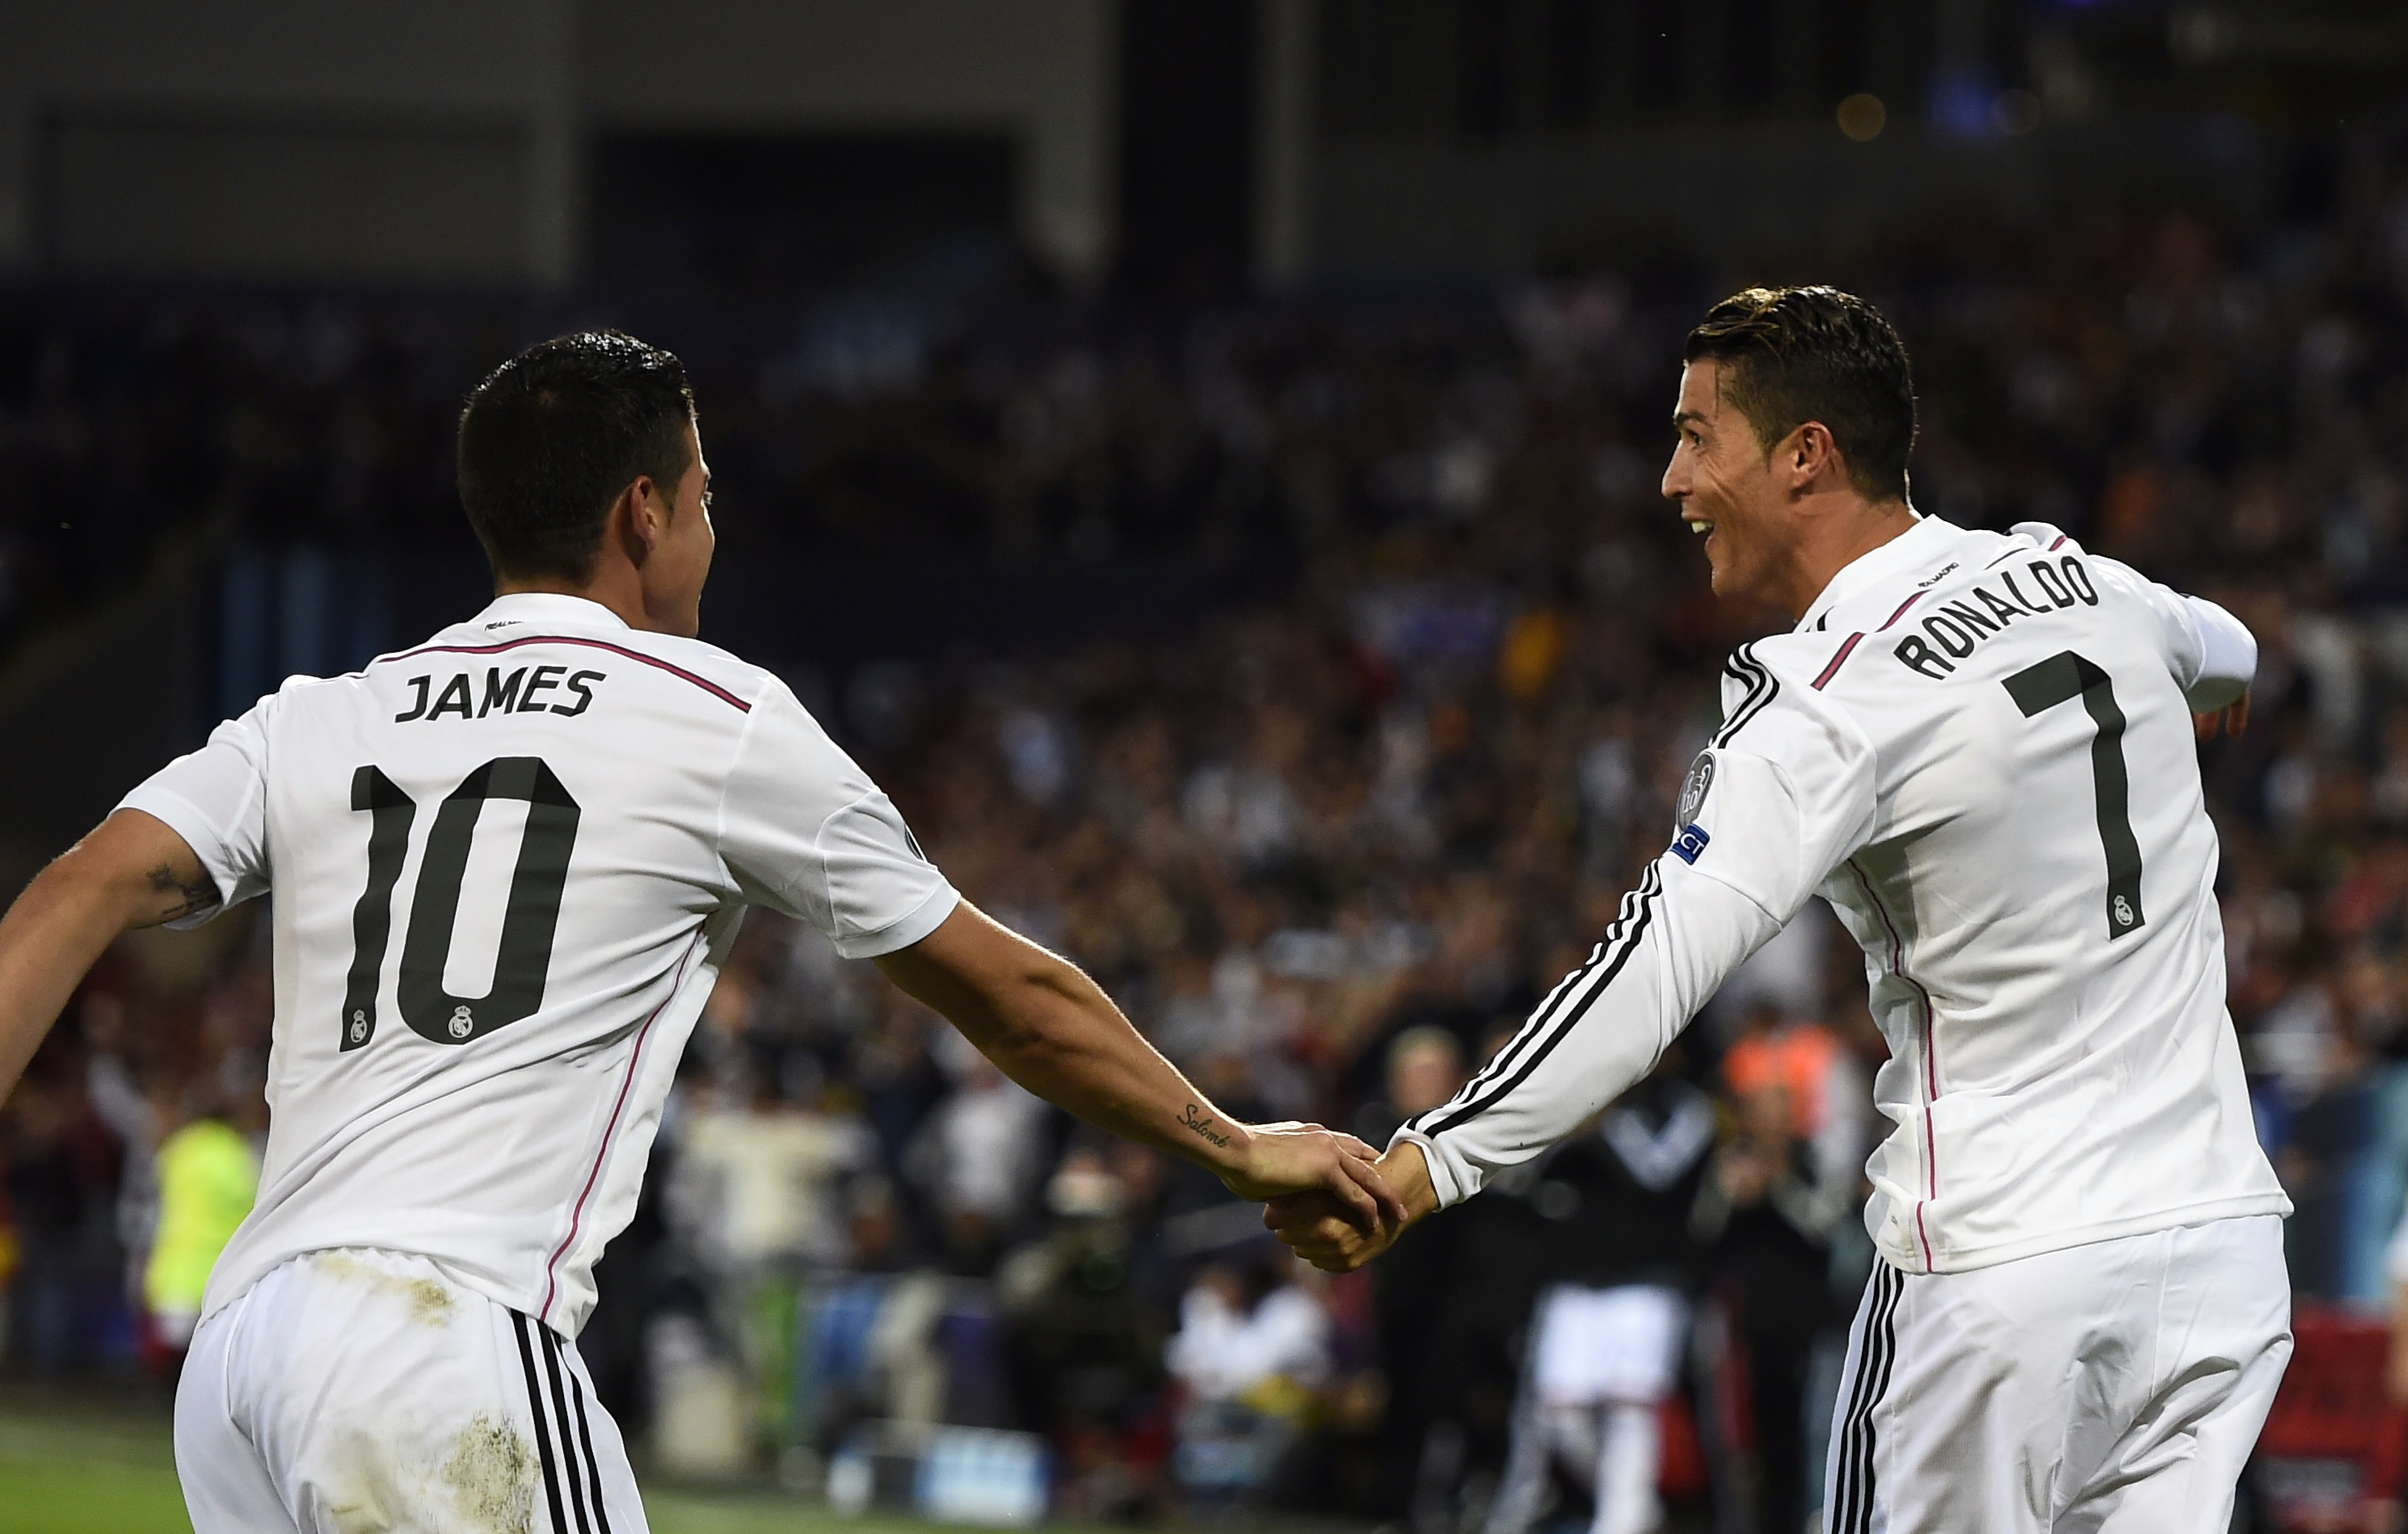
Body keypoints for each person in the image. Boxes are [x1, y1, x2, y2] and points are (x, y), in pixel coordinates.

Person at [0, 330, 1398, 1533]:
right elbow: (1016, 1001)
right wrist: (1233, 1143)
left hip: (242, 1356)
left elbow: (76, 890)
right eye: (708, 496)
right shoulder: (716, 718)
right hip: (442, 1342)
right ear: (645, 512)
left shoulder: (318, 716)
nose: (713, 532)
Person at [1269, 286, 2292, 1532]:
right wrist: (2210, 693)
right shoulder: (2083, 580)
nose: (1670, 481)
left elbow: (1649, 972)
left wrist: (1427, 1161)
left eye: (1697, 437)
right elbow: (2225, 643)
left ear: (1806, 454)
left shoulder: (1830, 697)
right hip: (2218, 1257)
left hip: (2006, 1267)